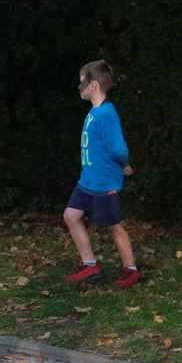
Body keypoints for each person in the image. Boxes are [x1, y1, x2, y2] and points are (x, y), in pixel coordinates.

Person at [63, 59, 141, 288]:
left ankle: (131, 270)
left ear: (93, 85)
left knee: (113, 226)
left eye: (81, 83)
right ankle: (90, 266)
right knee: (71, 216)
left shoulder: (106, 113)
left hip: (104, 183)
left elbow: (118, 148)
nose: (79, 88)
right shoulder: (94, 112)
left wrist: (124, 164)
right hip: (88, 180)